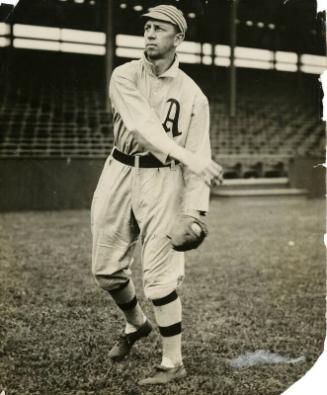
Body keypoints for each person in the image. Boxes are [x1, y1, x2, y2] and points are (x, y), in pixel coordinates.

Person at [91, 4, 223, 385]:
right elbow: (142, 126)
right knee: (105, 270)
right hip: (118, 169)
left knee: (160, 278)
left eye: (159, 28)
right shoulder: (124, 75)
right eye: (147, 27)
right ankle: (136, 324)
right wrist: (188, 157)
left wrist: (195, 212)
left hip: (164, 181)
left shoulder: (194, 95)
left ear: (178, 38)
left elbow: (201, 154)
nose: (149, 33)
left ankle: (172, 363)